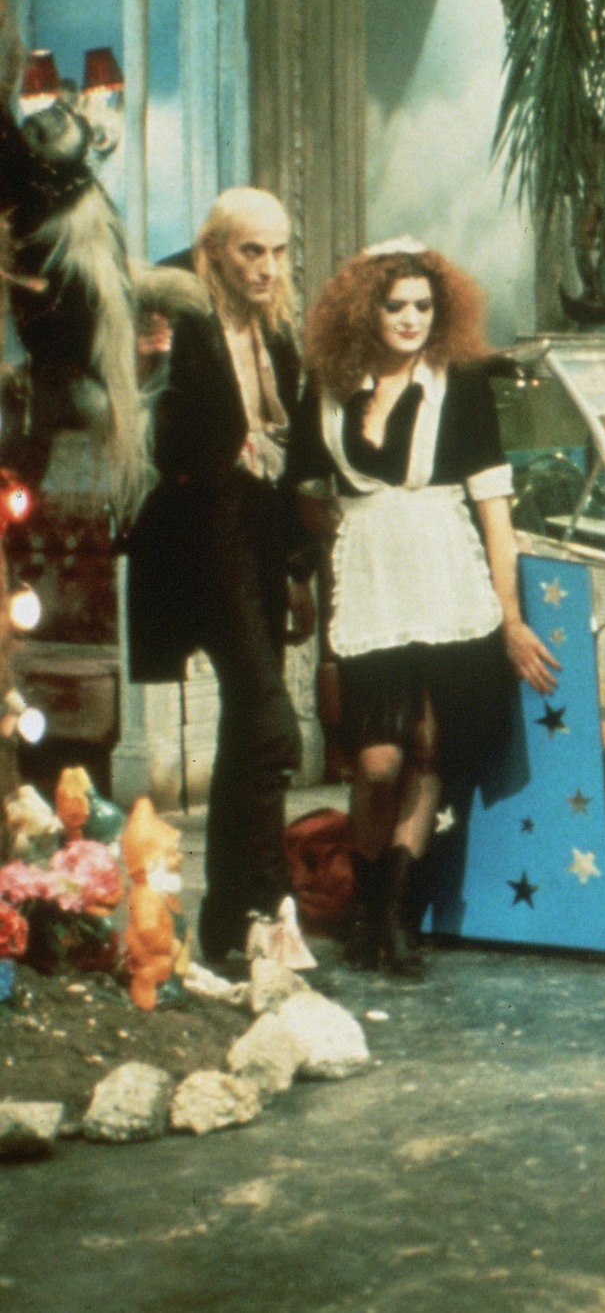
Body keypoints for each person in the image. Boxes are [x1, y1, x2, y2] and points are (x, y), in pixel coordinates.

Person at [288, 240, 558, 977]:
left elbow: (494, 509)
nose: (411, 319)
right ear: (363, 309)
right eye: (395, 305)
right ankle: (365, 907)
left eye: (423, 307)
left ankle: (394, 920)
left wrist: (510, 619)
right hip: (370, 581)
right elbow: (305, 495)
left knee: (431, 752)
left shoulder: (461, 382)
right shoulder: (325, 385)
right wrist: (313, 562)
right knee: (378, 761)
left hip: (447, 578)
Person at [124, 188, 317, 973]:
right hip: (201, 534)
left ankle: (229, 919)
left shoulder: (275, 331)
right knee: (272, 723)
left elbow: (295, 448)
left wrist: (302, 568)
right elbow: (162, 433)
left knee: (251, 721)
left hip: (263, 536)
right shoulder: (178, 307)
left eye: (277, 251)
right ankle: (269, 906)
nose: (268, 268)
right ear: (214, 247)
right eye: (250, 252)